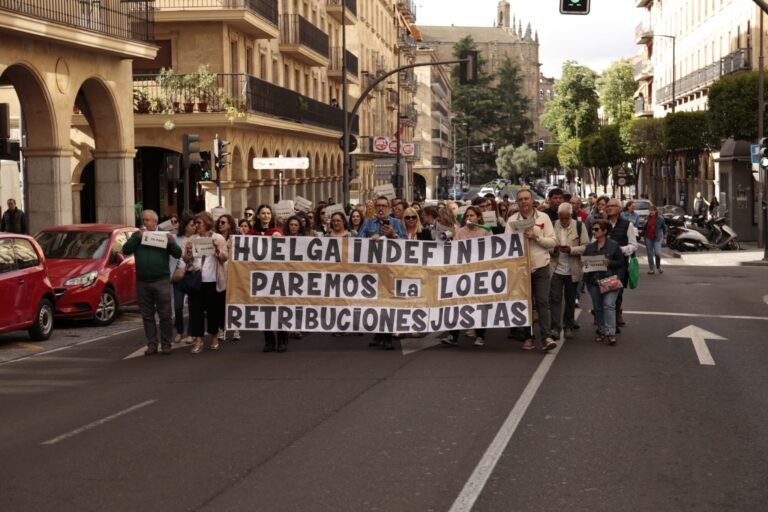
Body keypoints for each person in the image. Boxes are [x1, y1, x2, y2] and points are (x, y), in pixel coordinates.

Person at [123, 209, 182, 355]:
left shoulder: (163, 234)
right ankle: (152, 344)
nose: (144, 222)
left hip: (161, 280)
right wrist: (137, 237)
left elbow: (177, 253)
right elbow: (126, 250)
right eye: (143, 220)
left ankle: (166, 343)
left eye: (147, 220)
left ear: (155, 222)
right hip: (143, 281)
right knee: (147, 315)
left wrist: (171, 242)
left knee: (165, 314)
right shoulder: (137, 235)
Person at [505, 189, 558, 352]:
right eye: (520, 199)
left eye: (526, 198)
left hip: (541, 266)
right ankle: (528, 337)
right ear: (517, 202)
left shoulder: (544, 218)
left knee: (542, 301)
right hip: (521, 269)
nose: (524, 202)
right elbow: (506, 244)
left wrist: (536, 237)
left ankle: (546, 336)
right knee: (525, 304)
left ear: (532, 200)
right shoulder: (512, 220)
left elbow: (553, 242)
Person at [440, 206, 491, 347]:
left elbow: (491, 251)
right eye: (467, 216)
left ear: (479, 218)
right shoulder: (460, 232)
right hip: (462, 273)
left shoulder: (485, 231)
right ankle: (453, 335)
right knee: (457, 304)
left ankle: (480, 335)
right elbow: (454, 250)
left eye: (472, 215)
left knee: (478, 304)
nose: (469, 218)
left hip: (479, 273)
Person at [182, 212, 228, 354]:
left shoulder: (217, 237)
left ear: (207, 223)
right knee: (196, 312)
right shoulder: (192, 238)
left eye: (199, 223)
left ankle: (214, 337)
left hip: (212, 281)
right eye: (195, 223)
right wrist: (188, 252)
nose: (197, 226)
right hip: (196, 280)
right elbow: (186, 260)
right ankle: (199, 340)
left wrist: (217, 249)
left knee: (213, 311)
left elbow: (225, 257)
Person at [249, 205, 288, 352]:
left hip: (276, 276)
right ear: (258, 216)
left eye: (268, 213)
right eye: (263, 213)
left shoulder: (276, 232)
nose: (266, 216)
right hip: (259, 277)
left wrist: (279, 238)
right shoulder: (252, 234)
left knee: (278, 308)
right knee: (264, 309)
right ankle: (269, 340)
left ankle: (282, 339)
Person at [549, 203, 588, 340]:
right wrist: (553, 249)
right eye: (561, 218)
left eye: (566, 218)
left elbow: (585, 247)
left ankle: (568, 326)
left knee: (570, 300)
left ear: (571, 216)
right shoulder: (553, 225)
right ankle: (555, 327)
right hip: (555, 269)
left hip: (573, 269)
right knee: (555, 299)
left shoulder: (579, 225)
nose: (564, 221)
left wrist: (571, 250)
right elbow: (546, 244)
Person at [583, 219, 624, 345]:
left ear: (605, 231)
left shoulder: (613, 245)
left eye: (596, 229)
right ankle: (602, 331)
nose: (593, 231)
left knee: (609, 305)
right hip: (594, 281)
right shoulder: (590, 247)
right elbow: (585, 263)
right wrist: (583, 264)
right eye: (593, 229)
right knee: (598, 307)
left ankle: (611, 333)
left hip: (610, 279)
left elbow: (621, 262)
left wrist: (610, 263)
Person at [605, 198, 638, 327]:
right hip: (603, 264)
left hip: (619, 265)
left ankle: (616, 314)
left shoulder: (627, 225)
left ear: (619, 209)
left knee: (616, 292)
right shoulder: (602, 224)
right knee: (604, 292)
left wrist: (620, 250)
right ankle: (607, 318)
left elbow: (633, 245)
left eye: (613, 206)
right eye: (608, 206)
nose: (609, 208)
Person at [172, 215, 197, 345]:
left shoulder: (197, 239)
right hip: (179, 275)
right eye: (192, 224)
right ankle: (180, 332)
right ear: (185, 225)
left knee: (193, 306)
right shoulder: (176, 238)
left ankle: (191, 333)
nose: (194, 227)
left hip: (192, 275)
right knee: (178, 305)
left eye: (195, 225)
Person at [215, 214, 238, 341]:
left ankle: (235, 328)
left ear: (230, 224)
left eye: (223, 222)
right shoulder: (215, 238)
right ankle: (221, 328)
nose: (220, 224)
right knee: (220, 302)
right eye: (219, 222)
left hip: (233, 273)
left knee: (233, 301)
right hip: (220, 273)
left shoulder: (235, 239)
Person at [642, 204, 667, 274]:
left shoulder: (660, 218)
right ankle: (651, 269)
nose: (651, 212)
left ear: (656, 211)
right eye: (650, 210)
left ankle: (658, 266)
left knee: (657, 253)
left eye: (653, 210)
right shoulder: (647, 218)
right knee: (650, 254)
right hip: (648, 238)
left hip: (657, 238)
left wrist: (665, 237)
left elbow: (664, 228)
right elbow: (644, 228)